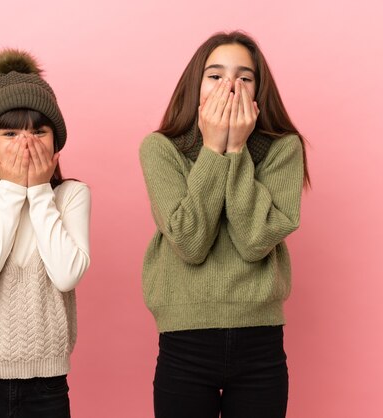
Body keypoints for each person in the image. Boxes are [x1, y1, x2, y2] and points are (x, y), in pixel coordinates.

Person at [139, 31, 310, 418]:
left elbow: (255, 240)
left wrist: (236, 148)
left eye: (244, 77)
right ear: (194, 85)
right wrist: (214, 148)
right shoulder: (161, 148)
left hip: (260, 342)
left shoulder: (284, 148)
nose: (230, 87)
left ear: (258, 91)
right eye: (215, 76)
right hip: (184, 340)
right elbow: (189, 240)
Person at [0, 48, 91, 418]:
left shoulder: (71, 195)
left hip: (47, 381)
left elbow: (67, 274)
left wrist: (40, 192)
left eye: (38, 131)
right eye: (10, 133)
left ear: (56, 144)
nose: (25, 143)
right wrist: (11, 190)